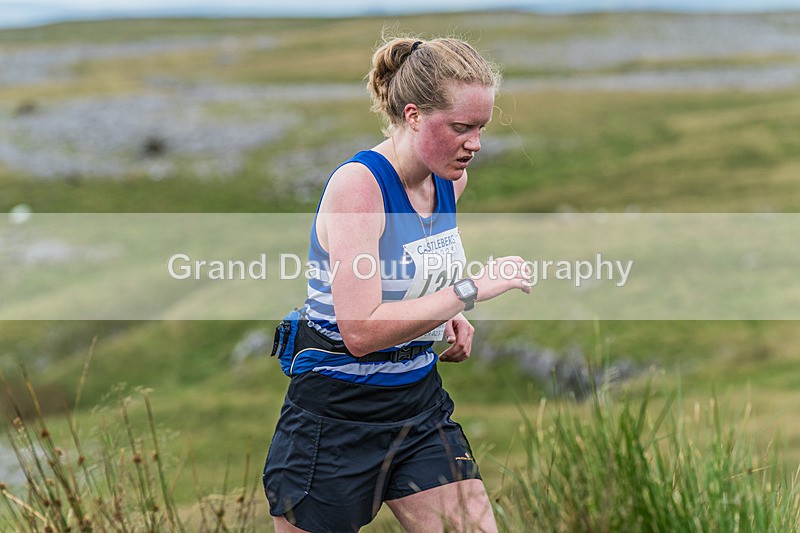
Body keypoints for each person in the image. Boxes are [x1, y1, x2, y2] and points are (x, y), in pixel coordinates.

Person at [263, 35, 531, 533]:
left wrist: (446, 313)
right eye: (460, 127)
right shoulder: (359, 187)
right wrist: (469, 291)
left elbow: (408, 270)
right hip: (335, 418)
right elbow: (360, 331)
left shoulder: (449, 180)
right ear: (412, 115)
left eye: (481, 128)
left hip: (417, 405)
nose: (474, 143)